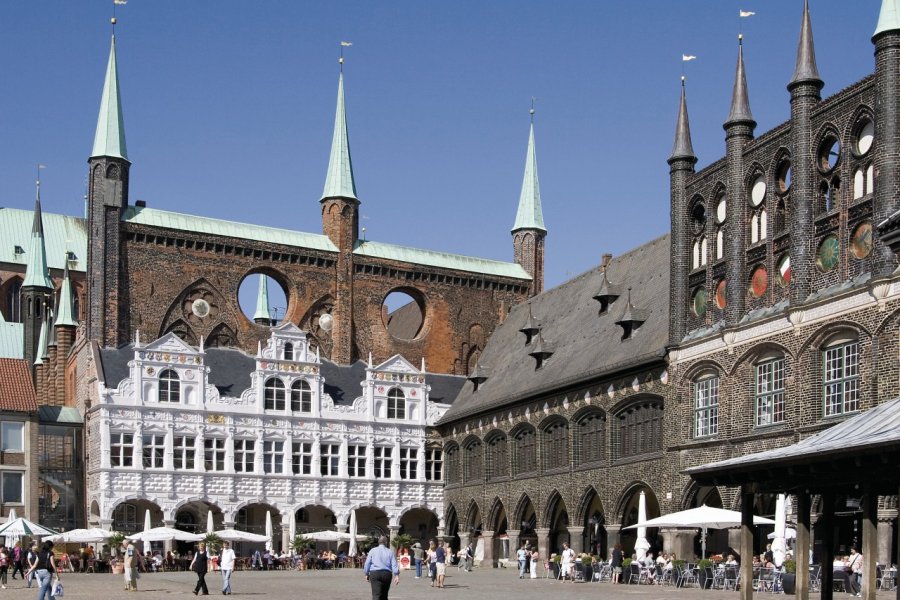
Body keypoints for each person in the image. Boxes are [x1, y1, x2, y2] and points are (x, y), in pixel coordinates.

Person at [364, 536, 400, 600]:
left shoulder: (372, 550)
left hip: (375, 573)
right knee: (384, 595)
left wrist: (366, 573)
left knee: (376, 595)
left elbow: (367, 563)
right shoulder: (390, 551)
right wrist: (396, 575)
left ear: (378, 542)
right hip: (387, 574)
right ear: (386, 542)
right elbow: (394, 564)